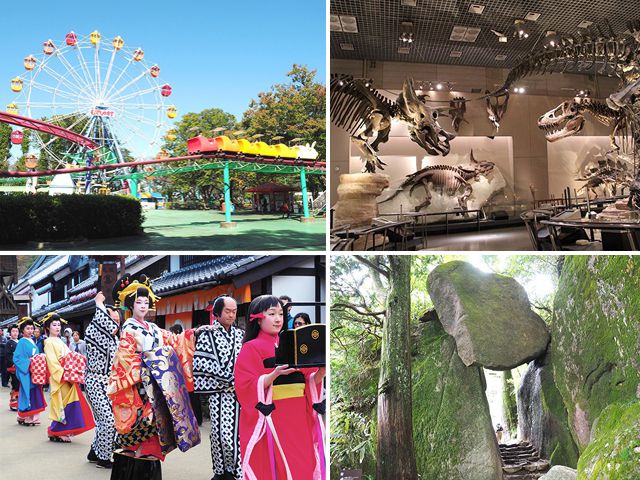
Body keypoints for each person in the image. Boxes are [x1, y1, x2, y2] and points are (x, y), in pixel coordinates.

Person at [108, 274, 200, 480]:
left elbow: (175, 341)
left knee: (155, 426)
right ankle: (138, 460)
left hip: (157, 384)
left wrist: (191, 334)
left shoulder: (154, 328)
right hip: (140, 385)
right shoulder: (129, 328)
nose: (143, 305)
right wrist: (150, 361)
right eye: (138, 302)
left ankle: (144, 460)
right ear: (131, 305)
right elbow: (124, 359)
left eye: (146, 302)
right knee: (143, 424)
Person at [234, 295, 326, 479]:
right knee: (278, 463)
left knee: (303, 460)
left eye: (280, 314)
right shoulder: (251, 348)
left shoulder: (295, 343)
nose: (278, 319)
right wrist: (272, 376)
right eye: (272, 314)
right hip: (275, 414)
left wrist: (322, 372)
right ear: (258, 319)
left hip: (300, 413)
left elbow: (309, 380)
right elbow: (244, 385)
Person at [194, 295, 244, 480]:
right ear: (217, 313)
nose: (231, 315)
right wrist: (228, 379)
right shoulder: (207, 333)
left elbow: (245, 362)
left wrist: (240, 380)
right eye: (227, 311)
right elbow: (203, 362)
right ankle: (220, 471)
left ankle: (234, 472)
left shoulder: (240, 334)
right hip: (219, 393)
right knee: (219, 434)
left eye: (234, 311)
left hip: (239, 393)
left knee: (236, 436)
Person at [42, 312, 95, 443]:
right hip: (60, 378)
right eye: (54, 325)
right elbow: (52, 362)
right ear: (48, 327)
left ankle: (63, 430)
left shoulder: (60, 341)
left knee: (70, 404)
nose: (57, 327)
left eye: (59, 325)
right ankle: (57, 430)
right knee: (63, 404)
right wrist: (63, 374)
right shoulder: (48, 342)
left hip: (67, 375)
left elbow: (70, 356)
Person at [85, 291, 122, 469]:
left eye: (117, 321)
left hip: (109, 383)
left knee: (107, 420)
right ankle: (104, 458)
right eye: (112, 320)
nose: (115, 324)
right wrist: (98, 302)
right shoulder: (94, 332)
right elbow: (101, 322)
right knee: (108, 420)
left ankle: (94, 451)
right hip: (94, 381)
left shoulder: (117, 339)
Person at [13, 317, 47, 426]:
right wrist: (29, 361)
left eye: (32, 328)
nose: (30, 331)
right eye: (27, 328)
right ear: (22, 330)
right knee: (28, 393)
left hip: (34, 371)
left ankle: (32, 416)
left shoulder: (32, 340)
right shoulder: (22, 342)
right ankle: (27, 416)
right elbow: (17, 358)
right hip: (27, 371)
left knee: (35, 393)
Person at [6, 324, 20, 411]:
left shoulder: (20, 341)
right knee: (15, 384)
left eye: (16, 331)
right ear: (10, 333)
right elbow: (8, 356)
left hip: (21, 366)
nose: (15, 333)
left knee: (20, 384)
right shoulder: (9, 343)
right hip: (14, 367)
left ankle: (19, 402)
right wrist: (12, 364)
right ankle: (14, 403)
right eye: (13, 331)